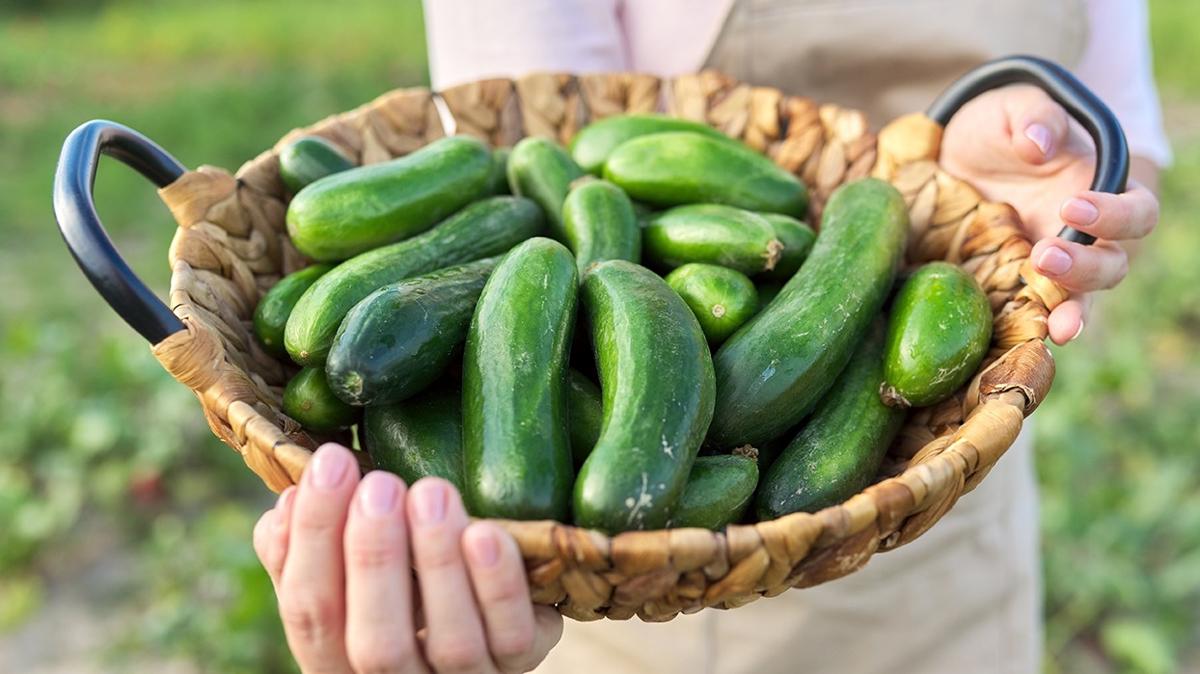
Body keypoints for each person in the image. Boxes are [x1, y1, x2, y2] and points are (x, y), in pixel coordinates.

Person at [253, 1, 1168, 672]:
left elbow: (1123, 130)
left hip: (934, 508)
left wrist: (1021, 193)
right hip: (638, 593)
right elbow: (549, 129)